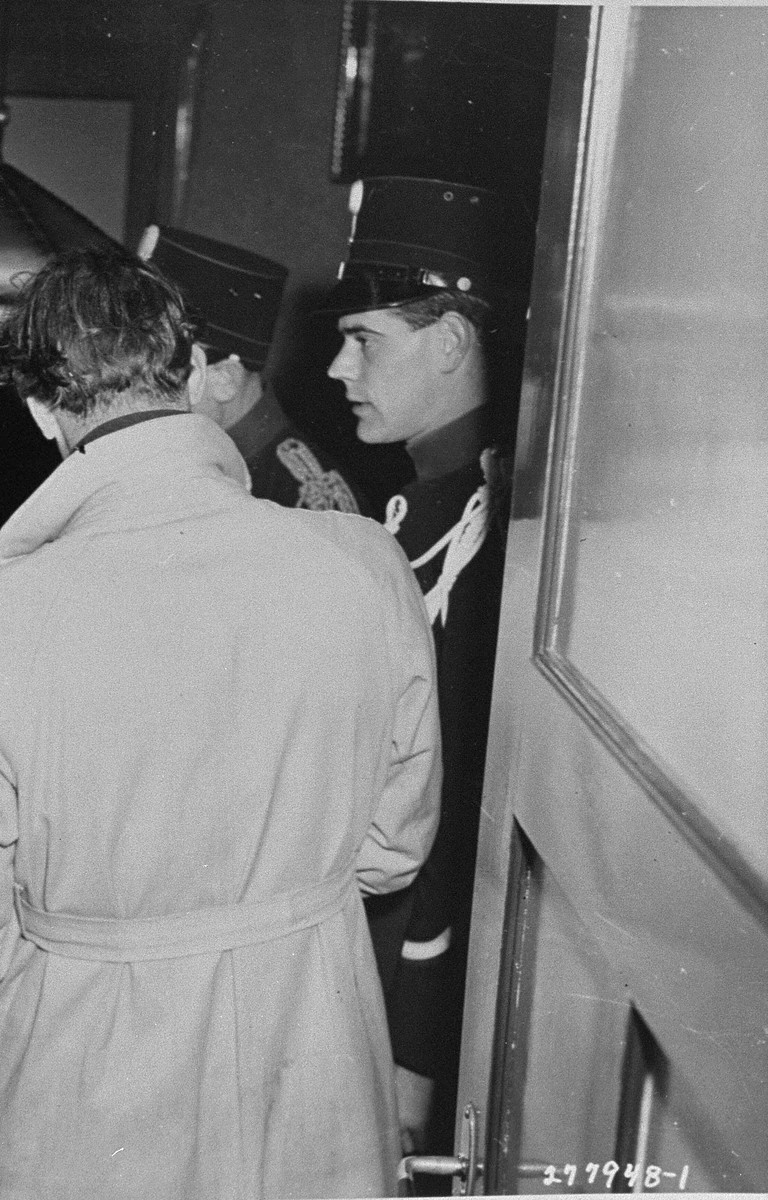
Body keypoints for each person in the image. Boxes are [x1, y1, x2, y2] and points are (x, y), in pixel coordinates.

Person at [0, 247, 443, 1199]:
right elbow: (392, 848)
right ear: (189, 377)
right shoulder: (364, 563)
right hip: (313, 1066)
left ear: (41, 409)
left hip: (79, 1086)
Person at [323, 175, 534, 1154]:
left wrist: (413, 1044)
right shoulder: (426, 508)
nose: (337, 367)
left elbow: (451, 814)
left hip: (422, 970)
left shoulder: (476, 536)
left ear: (451, 341)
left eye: (365, 339)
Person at [138, 224, 371, 516]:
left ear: (225, 380)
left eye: (158, 373)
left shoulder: (303, 501)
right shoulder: (174, 461)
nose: (137, 390)